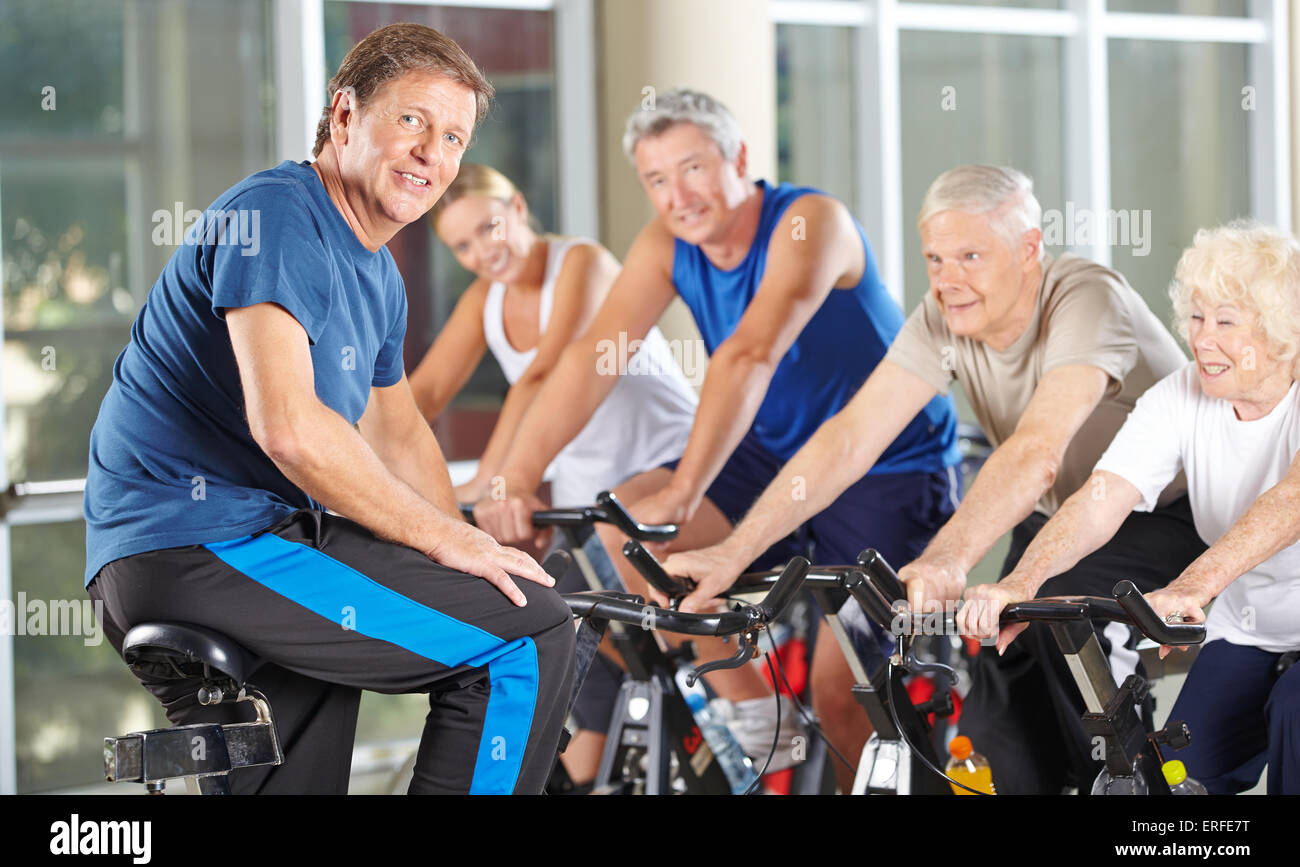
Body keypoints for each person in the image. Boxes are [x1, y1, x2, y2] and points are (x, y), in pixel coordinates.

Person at [83, 22, 575, 795]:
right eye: (412, 120)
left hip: (220, 555)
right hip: (203, 544)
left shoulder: (377, 275)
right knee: (529, 640)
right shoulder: (282, 214)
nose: (432, 154)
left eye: (452, 137)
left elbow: (399, 430)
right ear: (344, 116)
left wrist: (471, 554)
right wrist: (455, 552)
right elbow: (290, 429)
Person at [663, 164, 1206, 793]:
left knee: (1081, 690)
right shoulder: (945, 315)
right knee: (996, 723)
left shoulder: (1087, 297)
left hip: (1159, 516)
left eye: (970, 256)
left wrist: (948, 558)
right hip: (1058, 524)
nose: (948, 280)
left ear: (1029, 249)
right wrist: (735, 553)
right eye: (935, 259)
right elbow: (850, 437)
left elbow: (1037, 452)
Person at [473, 89, 962, 781]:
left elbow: (748, 355)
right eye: (657, 179)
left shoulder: (811, 221)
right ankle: (762, 720)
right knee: (634, 528)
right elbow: (593, 358)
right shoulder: (666, 241)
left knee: (846, 688)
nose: (678, 194)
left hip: (885, 462)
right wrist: (516, 477)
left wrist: (687, 485)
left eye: (693, 167)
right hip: (770, 454)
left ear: (738, 156)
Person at [960, 221, 1300, 794]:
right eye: (1196, 317)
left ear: (1282, 332)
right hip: (1248, 632)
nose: (1202, 339)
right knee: (1175, 780)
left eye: (1226, 322)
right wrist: (1022, 581)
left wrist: (1192, 587)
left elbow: (1291, 501)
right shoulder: (1181, 396)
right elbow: (1102, 496)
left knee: (1294, 714)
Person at [407, 161, 696, 784]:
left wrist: (495, 481)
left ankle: (725, 718)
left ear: (516, 204)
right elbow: (423, 391)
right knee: (551, 631)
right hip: (584, 494)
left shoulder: (582, 263)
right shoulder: (486, 297)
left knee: (611, 624)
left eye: (489, 227)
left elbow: (546, 373)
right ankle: (585, 770)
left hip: (665, 464)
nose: (484, 251)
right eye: (462, 245)